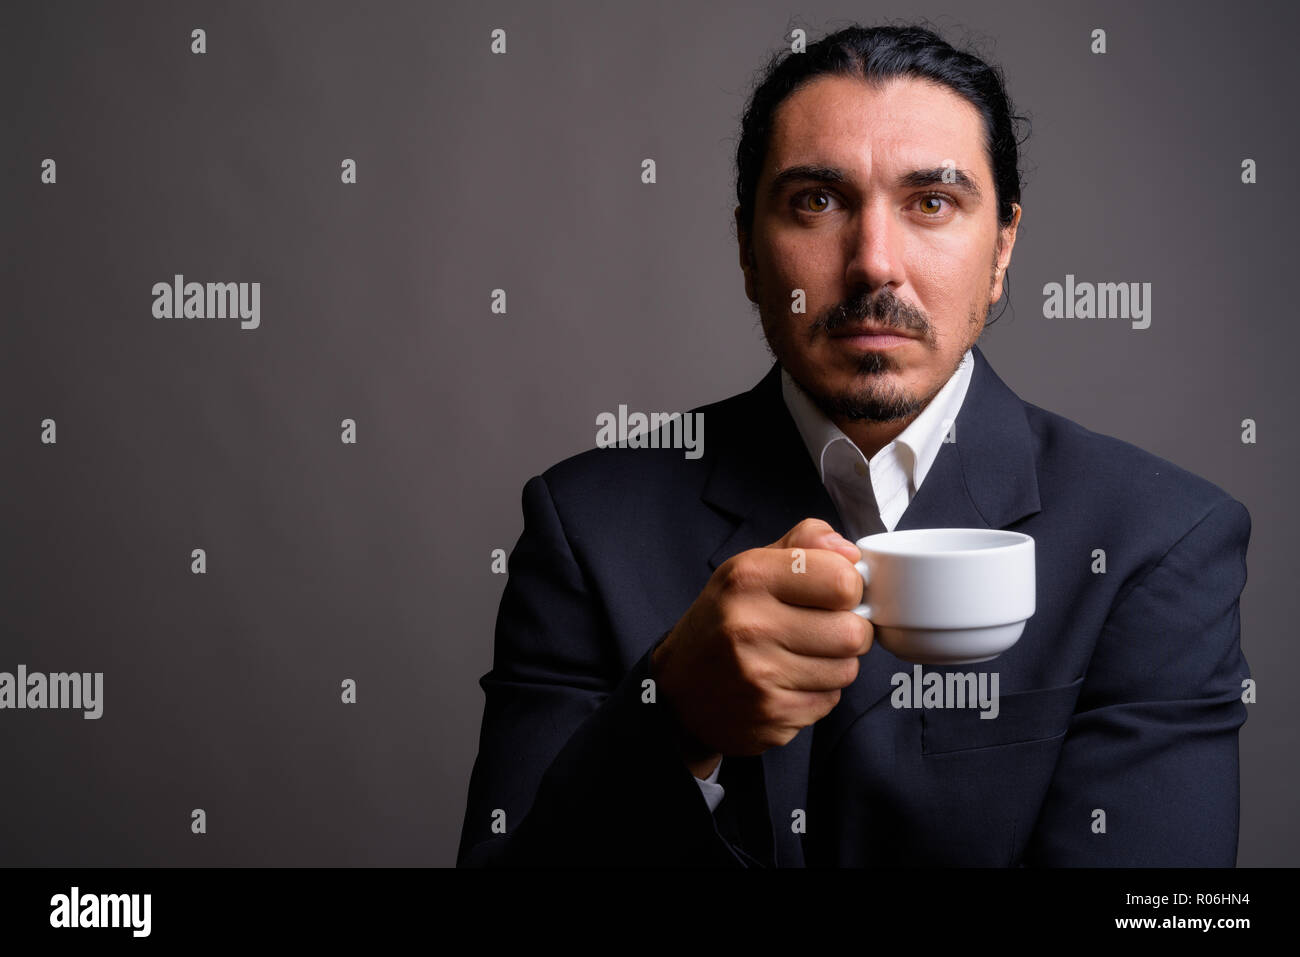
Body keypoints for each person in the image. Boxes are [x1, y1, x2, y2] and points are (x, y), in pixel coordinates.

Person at [456, 24, 1251, 867]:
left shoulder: (1159, 538)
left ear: (1003, 249)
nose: (874, 264)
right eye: (817, 201)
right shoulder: (585, 525)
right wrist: (670, 717)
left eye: (932, 202)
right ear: (747, 252)